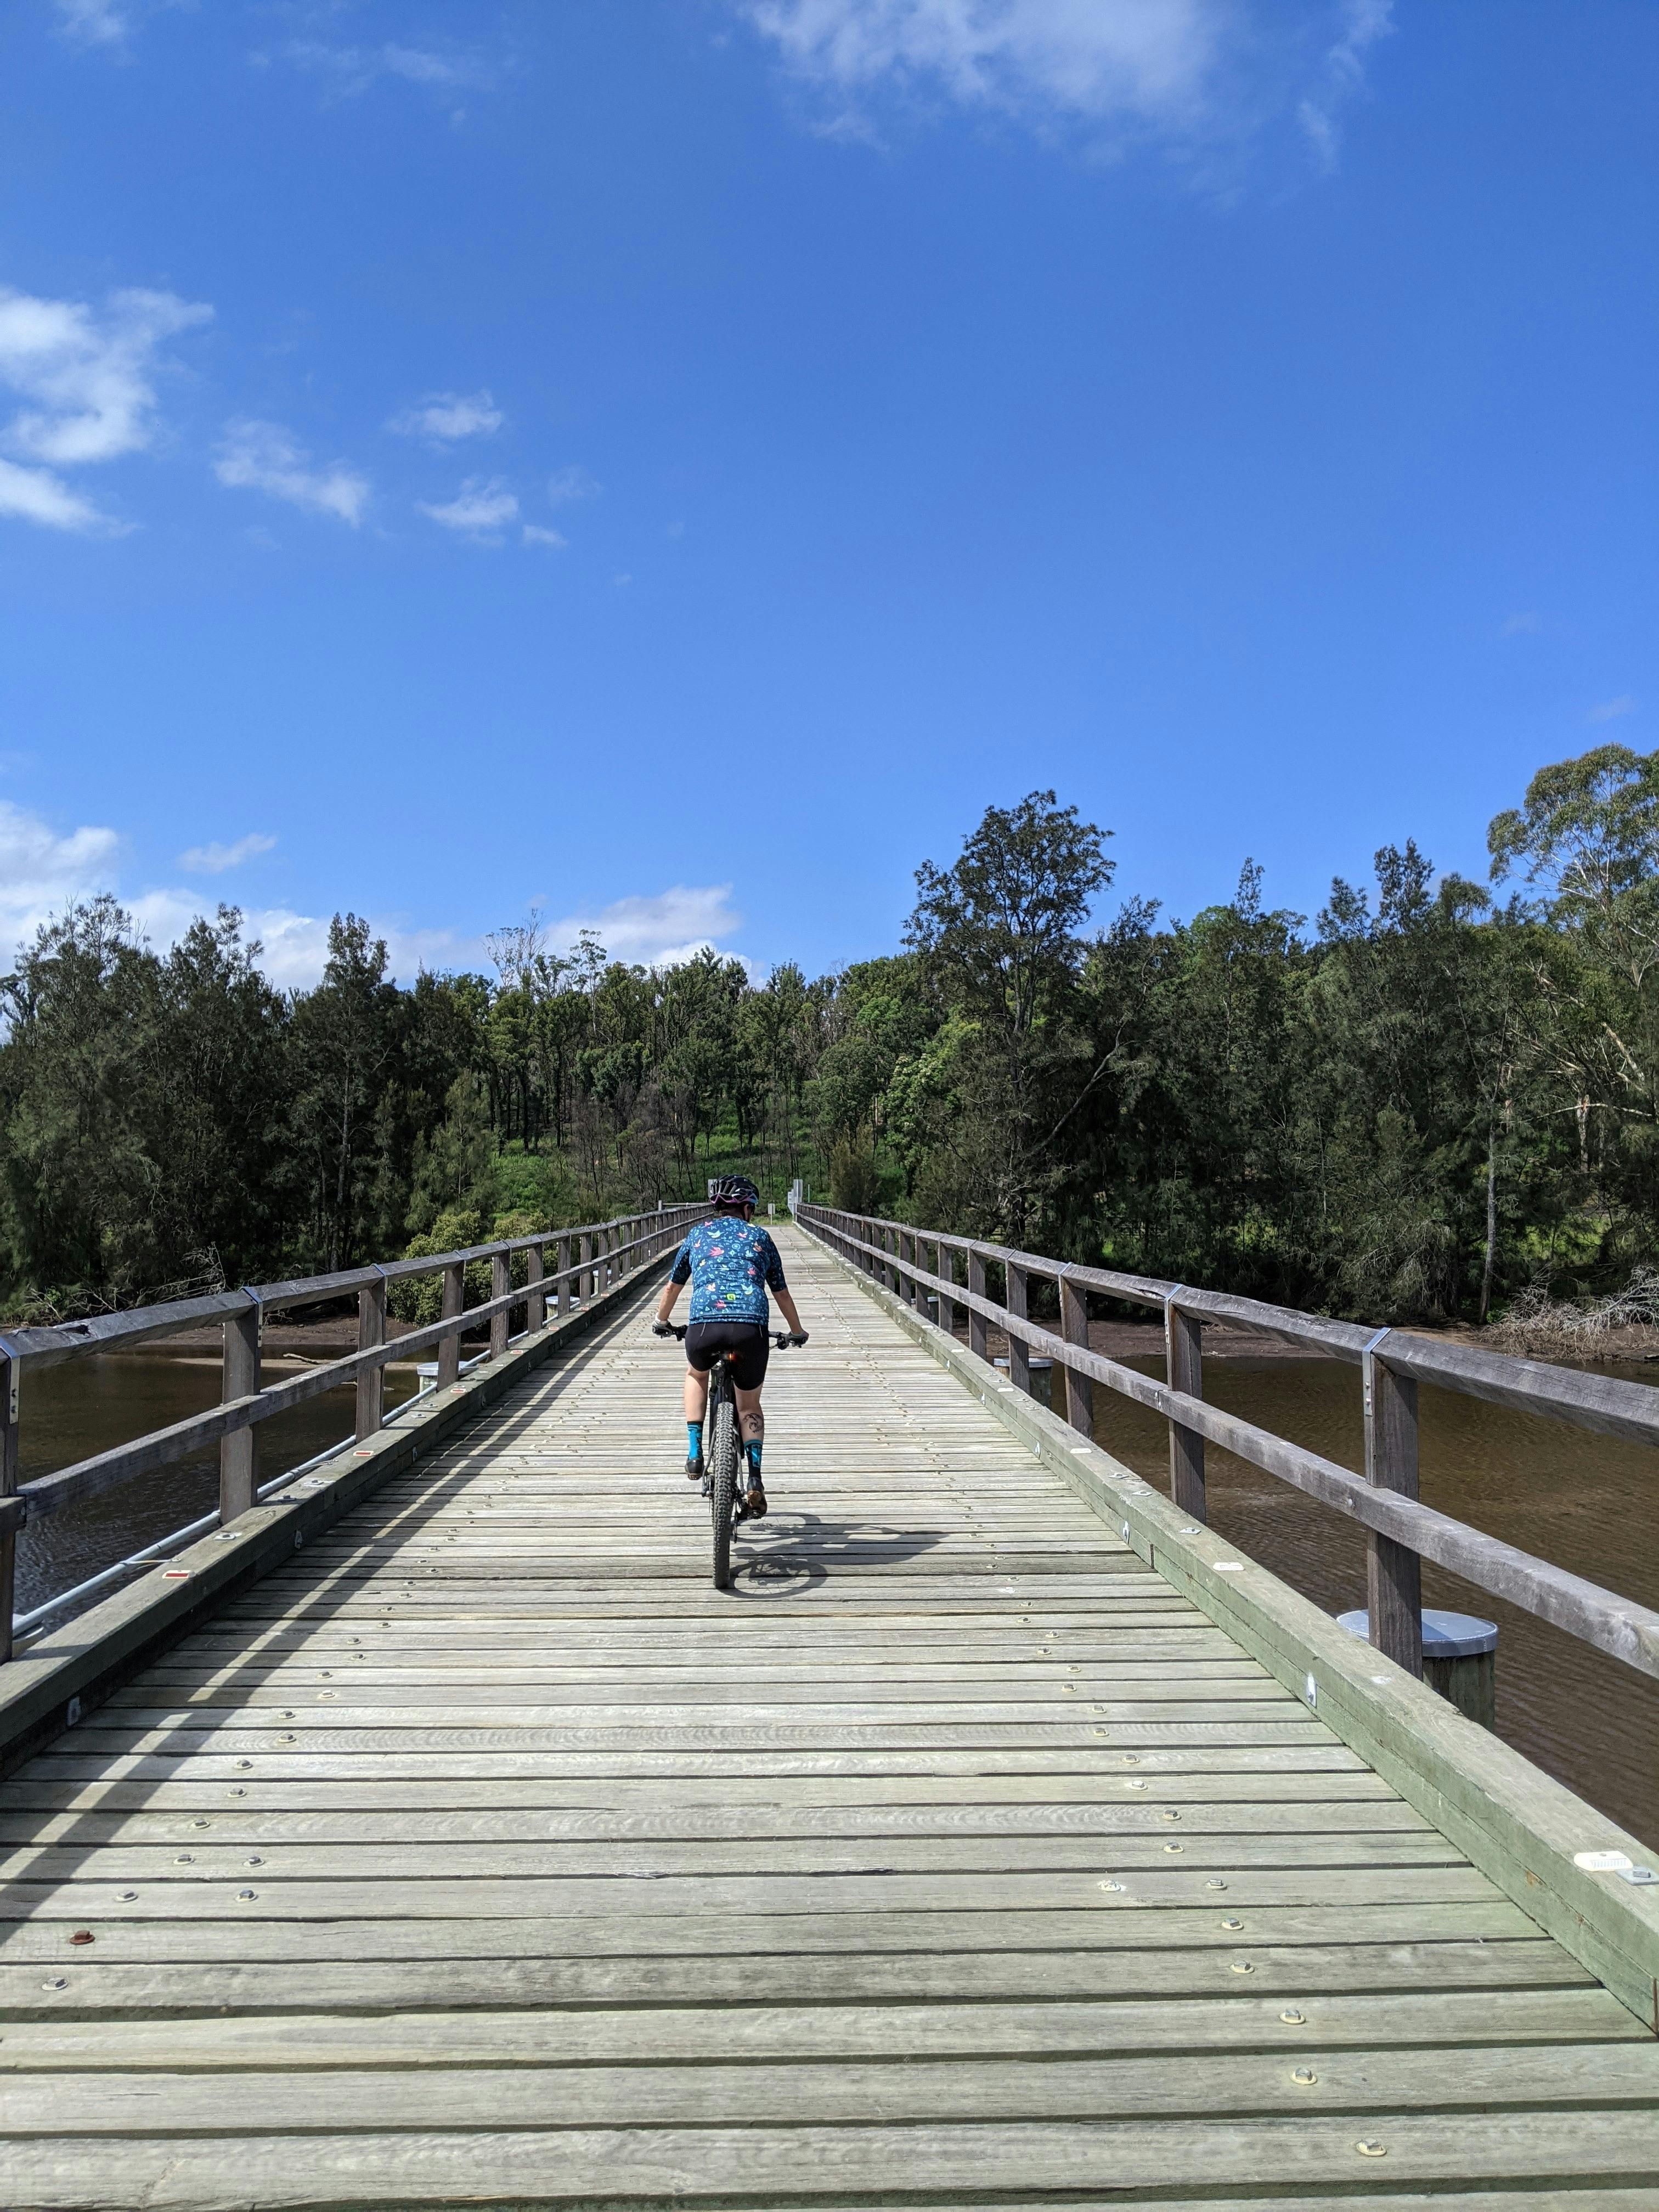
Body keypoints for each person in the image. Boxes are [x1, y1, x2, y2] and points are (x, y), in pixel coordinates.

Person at [652, 1175, 806, 1516]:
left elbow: (672, 1288)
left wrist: (662, 1322)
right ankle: (754, 1479)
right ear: (748, 1209)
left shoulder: (697, 1235)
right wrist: (797, 1331)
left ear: (718, 1208)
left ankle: (695, 1453)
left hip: (704, 1329)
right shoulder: (762, 1237)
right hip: (750, 1331)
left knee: (696, 1375)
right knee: (749, 1404)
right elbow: (781, 1293)